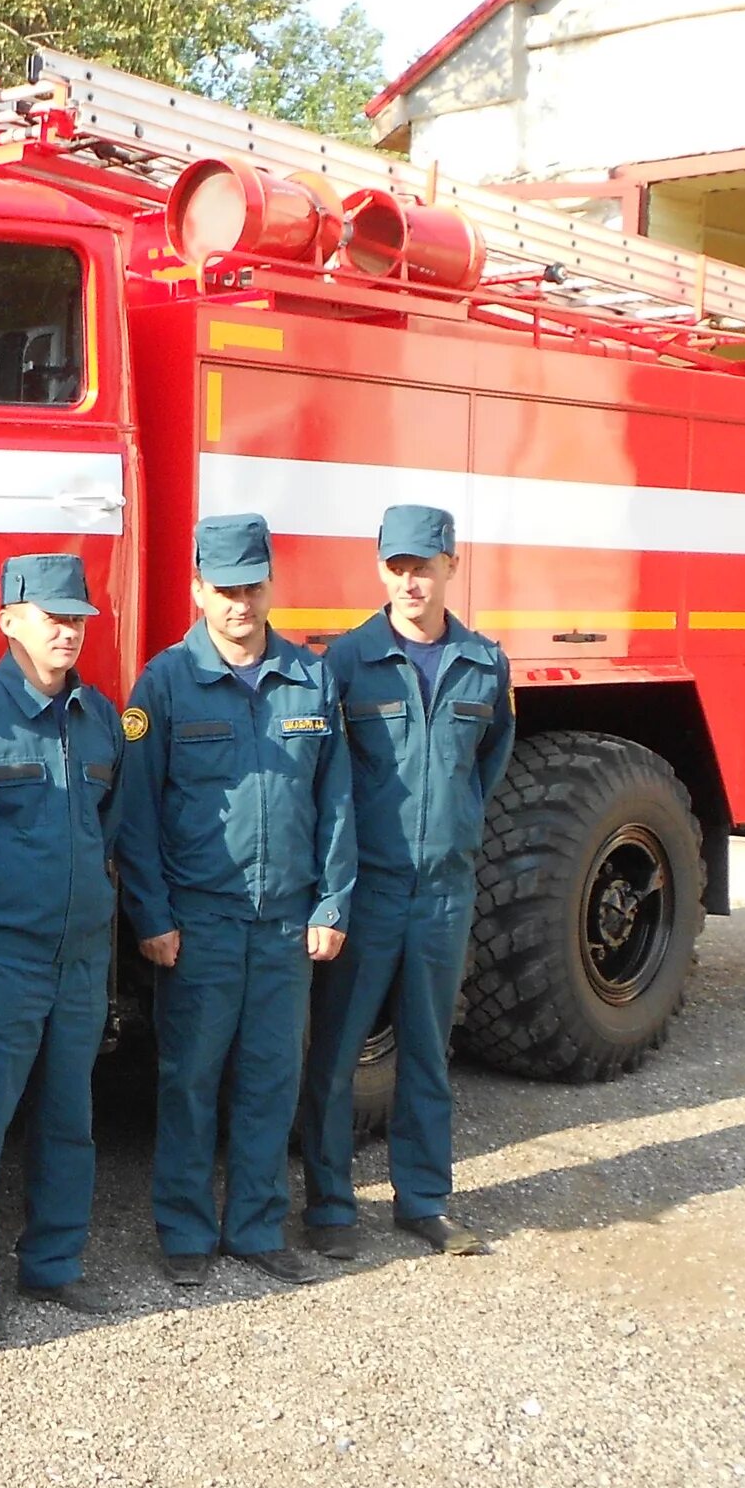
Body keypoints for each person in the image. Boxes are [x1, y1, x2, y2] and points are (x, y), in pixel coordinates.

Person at [115, 512, 355, 1288]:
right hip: (201, 922)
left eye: (251, 588)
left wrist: (331, 905)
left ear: (269, 587)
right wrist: (150, 915)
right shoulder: (165, 683)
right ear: (196, 590)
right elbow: (137, 812)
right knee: (189, 1079)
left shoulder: (309, 676)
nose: (239, 605)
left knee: (271, 1079)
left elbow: (338, 800)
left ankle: (256, 1227)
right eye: (223, 590)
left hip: (285, 921)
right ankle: (185, 1234)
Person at [293, 504, 515, 1258]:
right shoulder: (345, 663)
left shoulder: (485, 663)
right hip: (367, 889)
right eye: (397, 566)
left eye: (424, 565)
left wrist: (452, 836)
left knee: (426, 1051)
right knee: (336, 1051)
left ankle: (424, 1200)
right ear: (379, 567)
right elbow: (325, 782)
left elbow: (484, 765)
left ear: (453, 564)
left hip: (444, 891)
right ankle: (329, 1206)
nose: (411, 580)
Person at [0, 552, 127, 1342]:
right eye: (52, 617)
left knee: (70, 1116)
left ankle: (54, 1265)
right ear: (10, 620)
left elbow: (109, 827)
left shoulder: (100, 718)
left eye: (77, 619)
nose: (68, 631)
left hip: (78, 956)